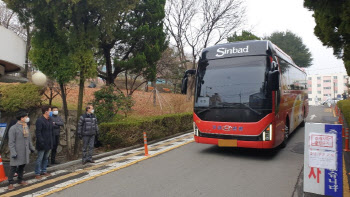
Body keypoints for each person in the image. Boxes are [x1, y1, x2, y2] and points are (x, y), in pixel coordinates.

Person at [7, 111, 35, 190]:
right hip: (17, 151)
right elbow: (11, 142)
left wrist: (31, 148)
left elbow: (28, 140)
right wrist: (13, 152)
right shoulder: (13, 128)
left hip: (24, 151)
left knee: (22, 166)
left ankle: (20, 179)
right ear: (21, 118)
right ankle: (10, 182)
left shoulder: (25, 126)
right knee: (13, 167)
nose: (27, 118)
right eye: (26, 117)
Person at [34, 106, 54, 179]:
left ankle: (44, 170)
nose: (51, 112)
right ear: (46, 112)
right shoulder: (40, 120)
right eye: (50, 111)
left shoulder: (50, 119)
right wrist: (41, 141)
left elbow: (51, 131)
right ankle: (37, 172)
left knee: (46, 158)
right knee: (40, 158)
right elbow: (38, 132)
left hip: (49, 142)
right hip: (42, 143)